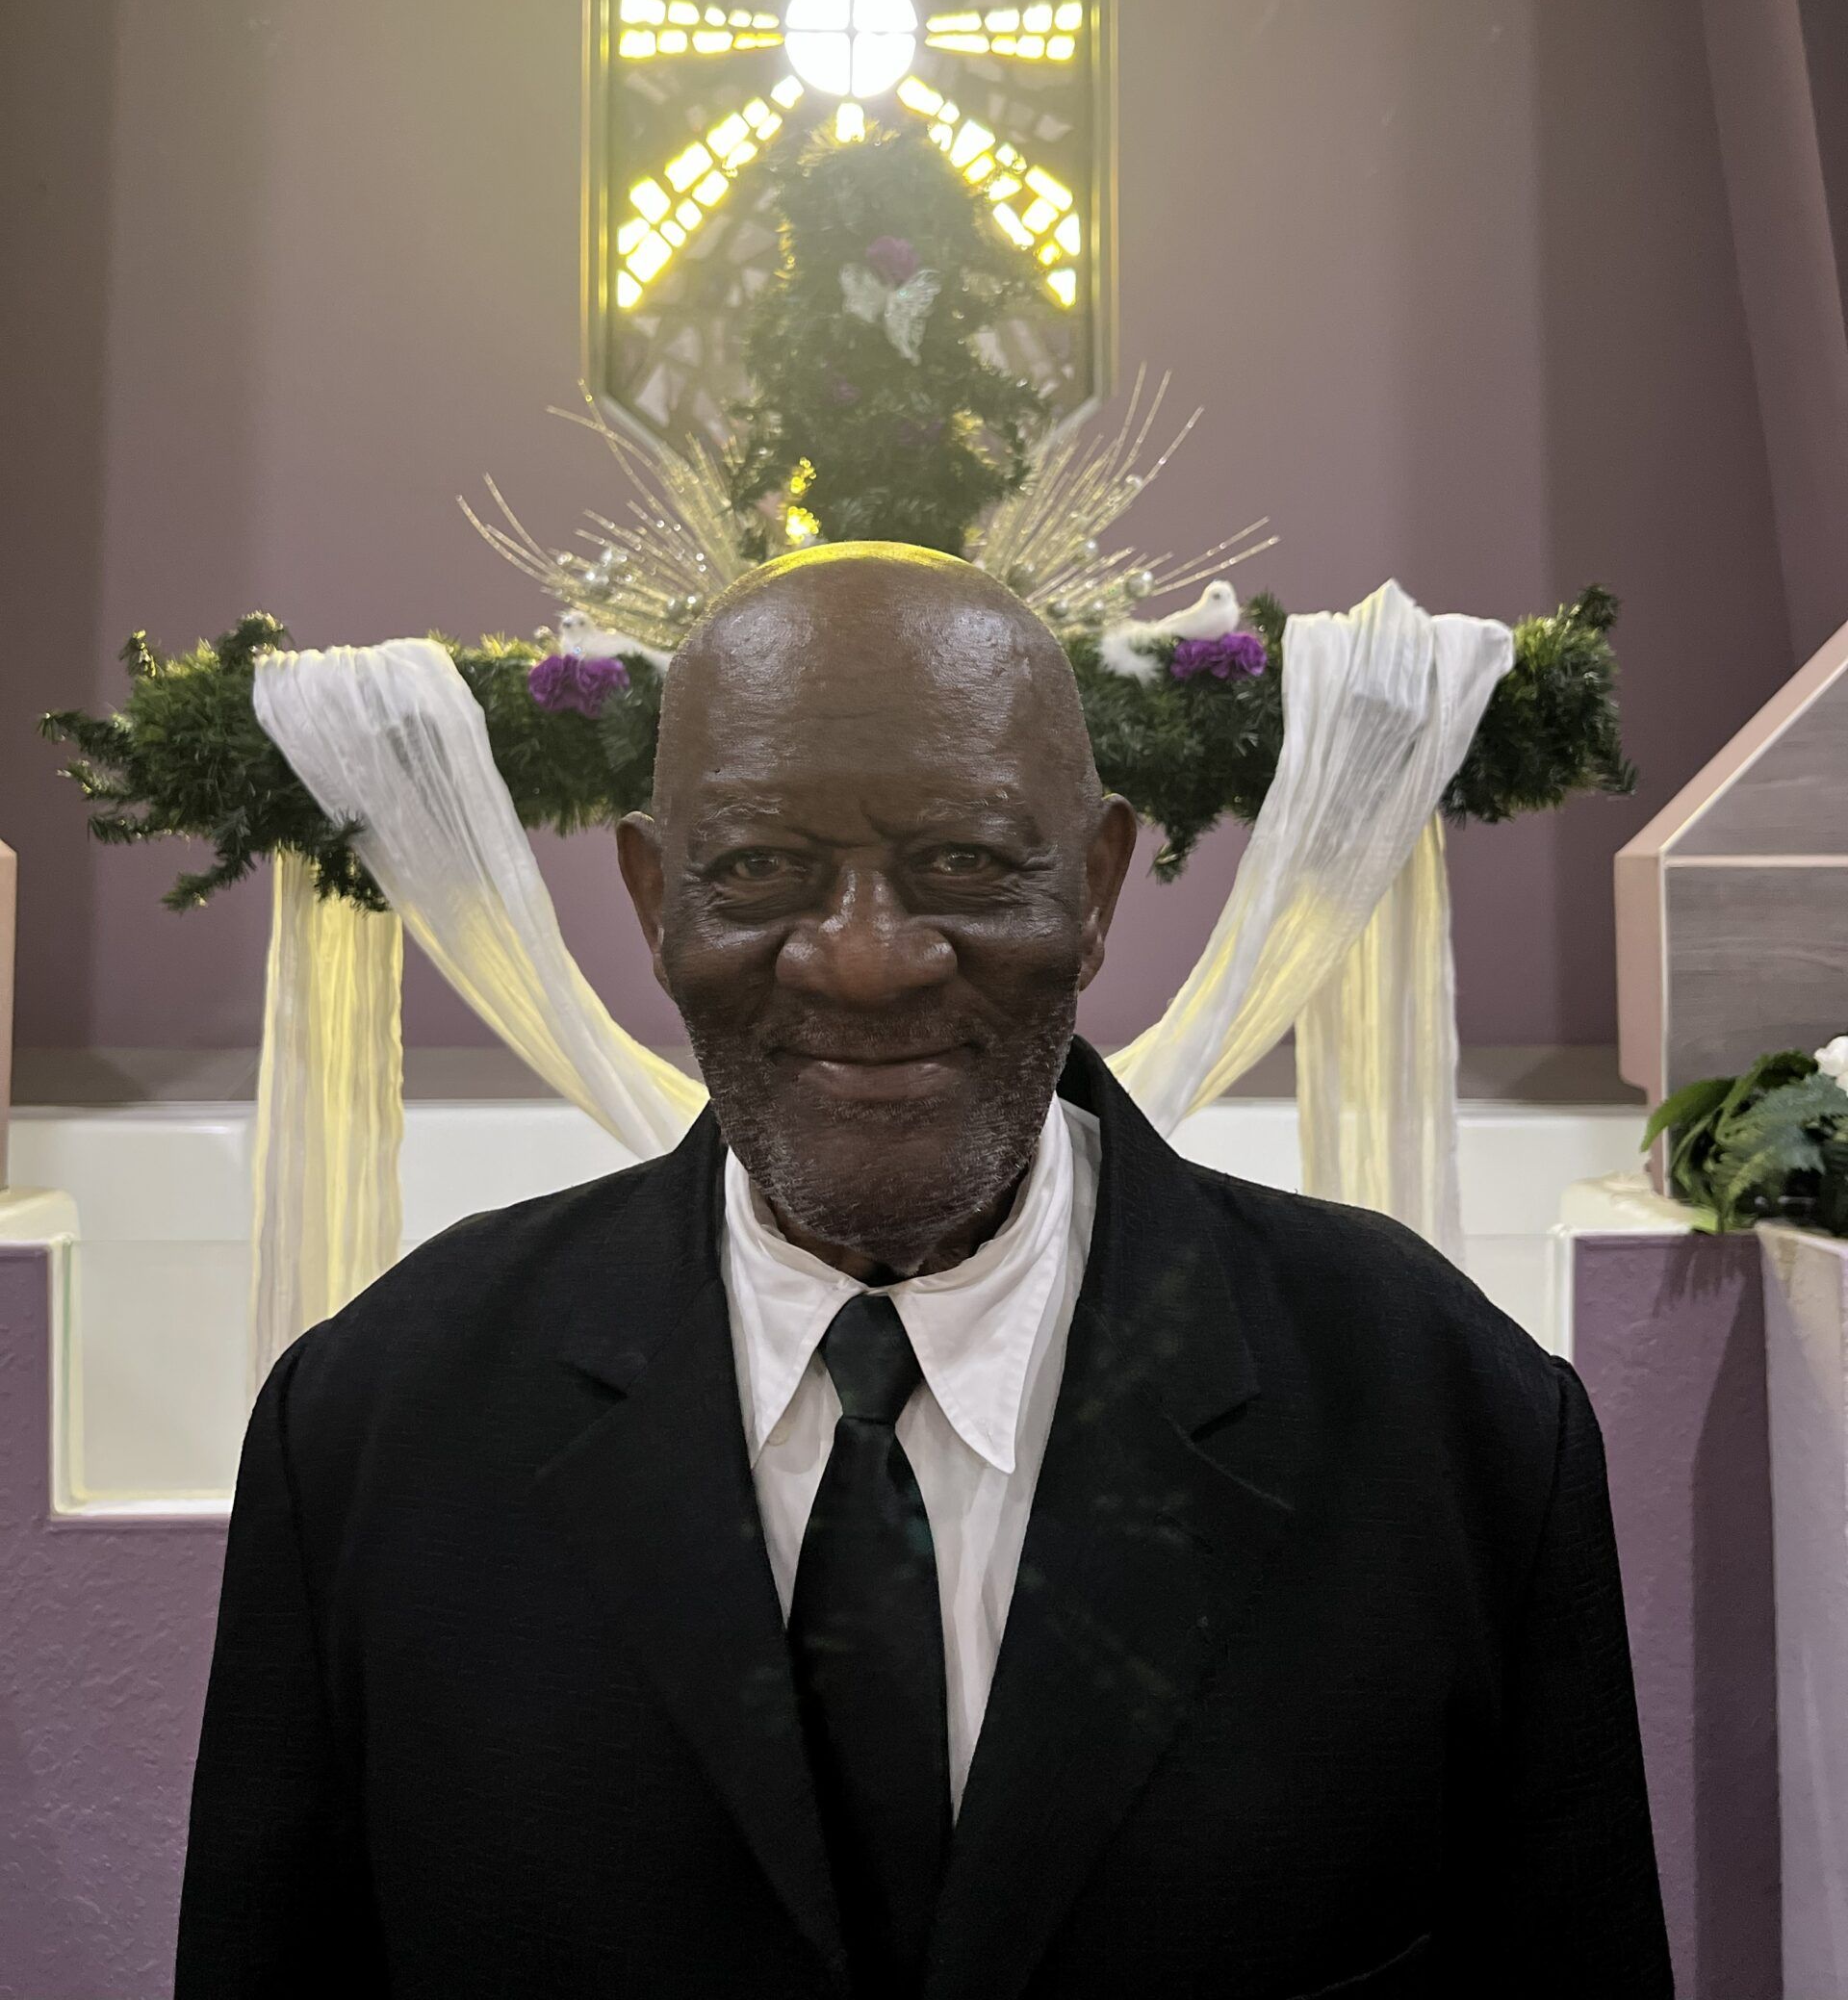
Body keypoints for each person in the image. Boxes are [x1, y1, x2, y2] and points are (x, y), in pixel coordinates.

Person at [175, 543, 1672, 2000]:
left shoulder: (1448, 1423)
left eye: (960, 860)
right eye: (761, 869)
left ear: (1094, 886)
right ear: (650, 900)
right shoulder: (380, 1429)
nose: (866, 960)